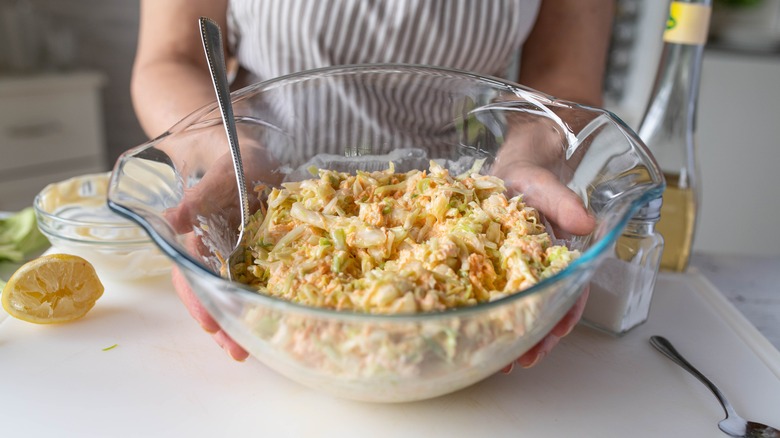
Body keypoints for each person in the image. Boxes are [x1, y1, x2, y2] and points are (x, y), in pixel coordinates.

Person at [131, 0, 615, 370]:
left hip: (471, 177)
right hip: (260, 188)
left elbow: (563, 80)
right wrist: (227, 155)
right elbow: (172, 58)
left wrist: (527, 158)